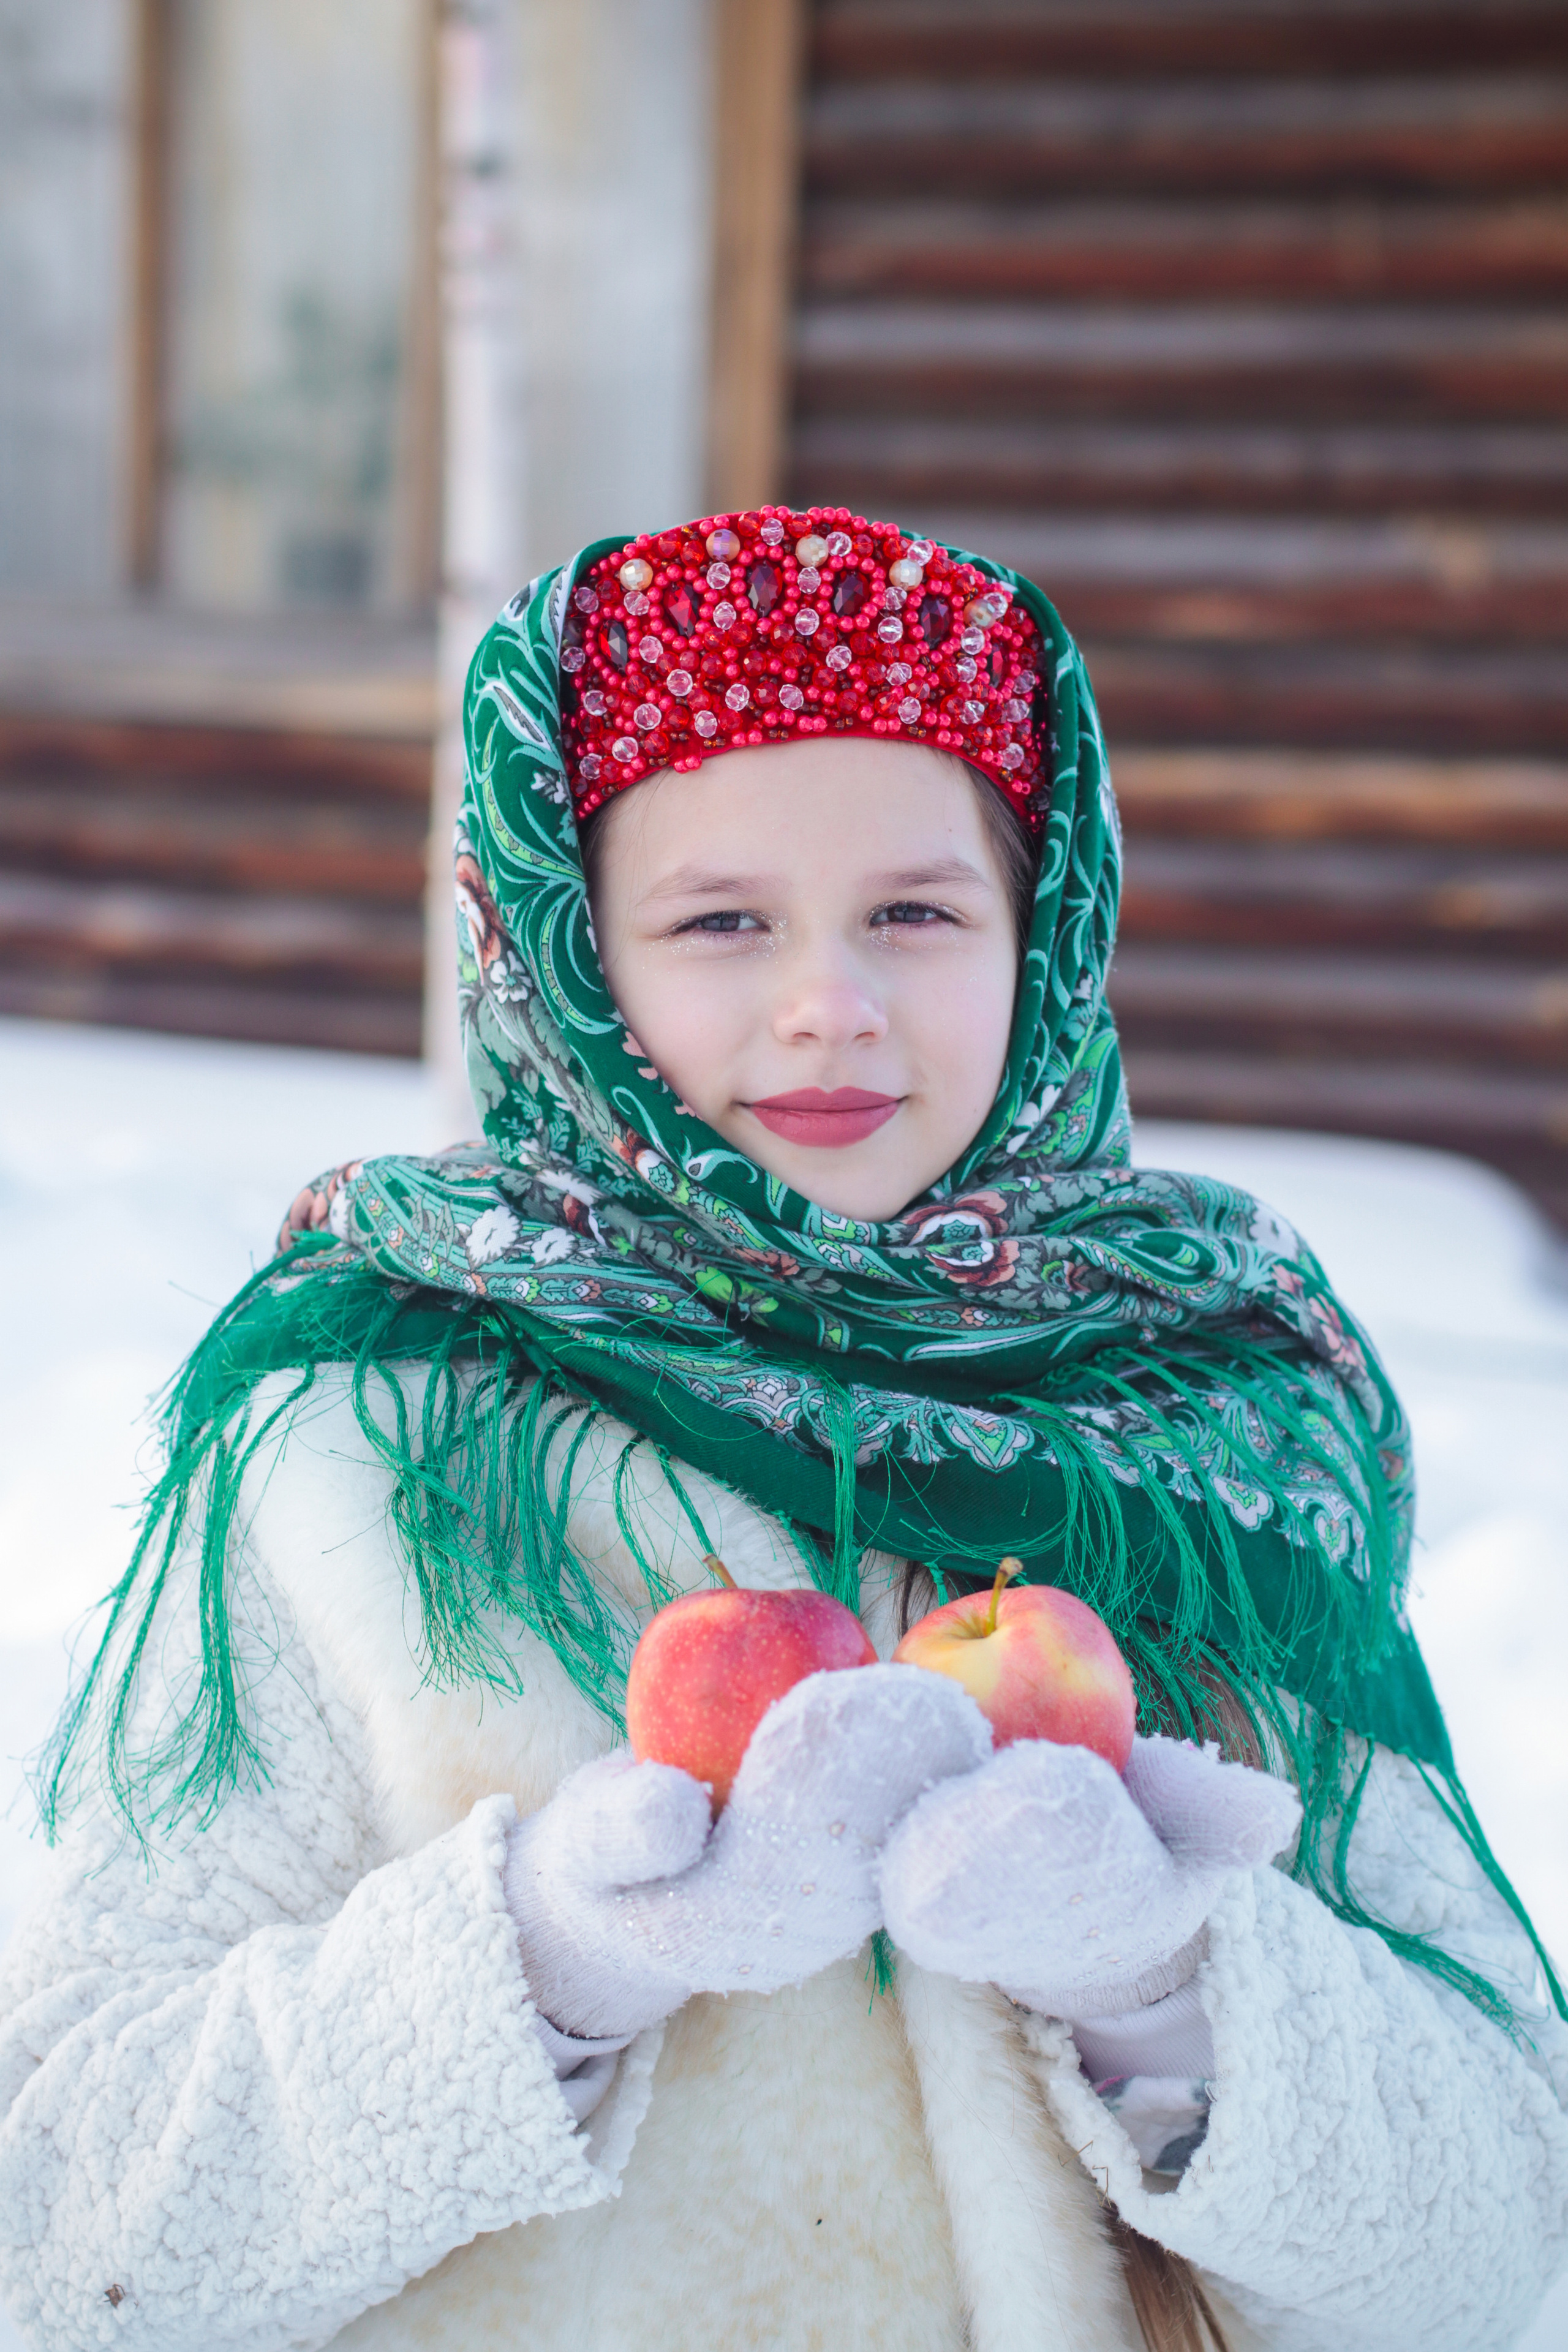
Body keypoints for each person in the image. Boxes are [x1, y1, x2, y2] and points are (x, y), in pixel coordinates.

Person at [2, 510, 1564, 2352]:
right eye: (721, 921)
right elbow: (67, 2227)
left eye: (917, 912)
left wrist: (1168, 1987)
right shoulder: (370, 1451)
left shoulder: (1208, 1440)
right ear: (570, 959)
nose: (831, 1004)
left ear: (1047, 936)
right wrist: (541, 1970)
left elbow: (1504, 2235)